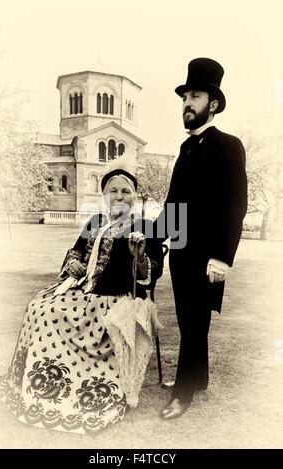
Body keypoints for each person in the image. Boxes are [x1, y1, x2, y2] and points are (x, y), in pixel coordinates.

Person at [0, 161, 164, 434]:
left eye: (125, 191)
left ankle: (86, 388)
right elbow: (75, 252)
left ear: (134, 195)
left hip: (116, 297)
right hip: (82, 289)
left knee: (73, 316)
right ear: (105, 196)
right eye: (113, 191)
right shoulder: (96, 221)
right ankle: (41, 387)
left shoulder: (146, 226)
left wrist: (141, 256)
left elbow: (152, 271)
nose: (119, 196)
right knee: (39, 308)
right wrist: (73, 263)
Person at [156, 58, 248, 419]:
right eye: (184, 97)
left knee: (195, 324)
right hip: (181, 252)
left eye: (194, 96)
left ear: (212, 104)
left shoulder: (228, 145)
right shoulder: (186, 148)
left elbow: (234, 205)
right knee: (187, 320)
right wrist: (150, 238)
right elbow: (175, 206)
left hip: (208, 255)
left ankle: (183, 394)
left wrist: (222, 257)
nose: (187, 103)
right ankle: (198, 379)